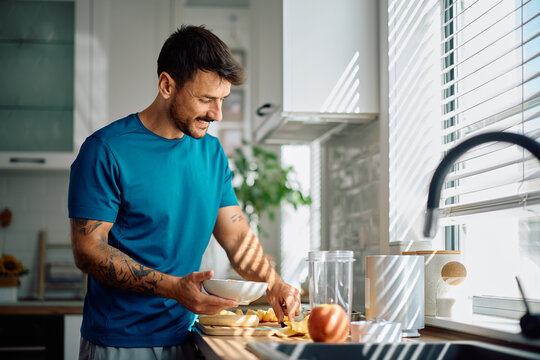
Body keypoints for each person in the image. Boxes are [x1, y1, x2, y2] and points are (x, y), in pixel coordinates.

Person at [68, 24, 301, 359]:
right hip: (119, 342)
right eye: (206, 99)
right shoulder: (105, 150)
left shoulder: (212, 154)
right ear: (167, 85)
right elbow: (88, 250)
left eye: (222, 100)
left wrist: (274, 283)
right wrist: (175, 289)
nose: (217, 114)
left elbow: (237, 239)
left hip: (188, 337)